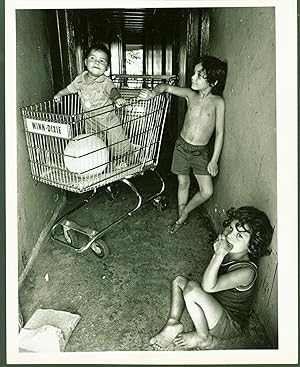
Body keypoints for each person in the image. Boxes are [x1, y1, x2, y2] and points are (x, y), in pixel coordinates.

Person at [149, 206, 273, 350]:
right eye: (230, 228)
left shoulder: (247, 271)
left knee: (192, 290)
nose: (230, 235)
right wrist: (221, 254)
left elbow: (208, 286)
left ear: (251, 247)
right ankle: (173, 322)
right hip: (215, 303)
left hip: (229, 323)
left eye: (240, 236)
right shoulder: (231, 252)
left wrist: (218, 255)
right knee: (179, 281)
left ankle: (204, 337)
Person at [139, 55, 228, 234]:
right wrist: (152, 93)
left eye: (199, 75)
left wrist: (214, 160)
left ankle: (186, 211)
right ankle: (180, 216)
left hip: (200, 153)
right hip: (181, 147)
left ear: (214, 81)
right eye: (194, 73)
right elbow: (165, 87)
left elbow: (219, 133)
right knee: (183, 183)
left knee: (207, 191)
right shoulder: (190, 94)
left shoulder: (218, 102)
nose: (193, 78)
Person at [54, 43, 137, 162]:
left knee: (119, 144)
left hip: (108, 120)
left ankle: (131, 163)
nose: (97, 62)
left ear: (107, 67)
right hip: (90, 121)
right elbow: (70, 88)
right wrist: (60, 94)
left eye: (102, 61)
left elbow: (113, 90)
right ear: (86, 62)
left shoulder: (105, 81)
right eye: (93, 58)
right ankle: (100, 166)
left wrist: (117, 98)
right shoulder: (79, 80)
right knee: (95, 145)